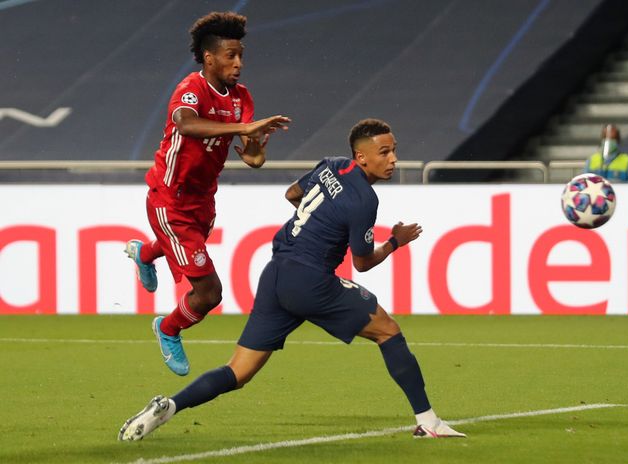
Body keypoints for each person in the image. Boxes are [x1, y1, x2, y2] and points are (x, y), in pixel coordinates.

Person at [118, 119, 466, 441]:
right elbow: (362, 263)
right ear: (361, 157)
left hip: (277, 275)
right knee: (388, 331)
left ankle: (168, 407)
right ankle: (429, 422)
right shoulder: (364, 200)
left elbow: (292, 195)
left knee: (238, 371)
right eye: (384, 152)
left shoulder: (331, 164)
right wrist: (395, 242)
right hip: (311, 281)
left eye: (394, 150)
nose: (393, 159)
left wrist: (320, 220)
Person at [124, 11, 291, 376]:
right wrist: (244, 126)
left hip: (203, 198)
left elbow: (252, 157)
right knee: (209, 294)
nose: (239, 63)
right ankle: (167, 329)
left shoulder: (241, 97)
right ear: (210, 57)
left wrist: (255, 146)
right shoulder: (191, 88)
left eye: (241, 55)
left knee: (185, 257)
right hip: (170, 197)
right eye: (231, 55)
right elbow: (185, 123)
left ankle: (145, 253)